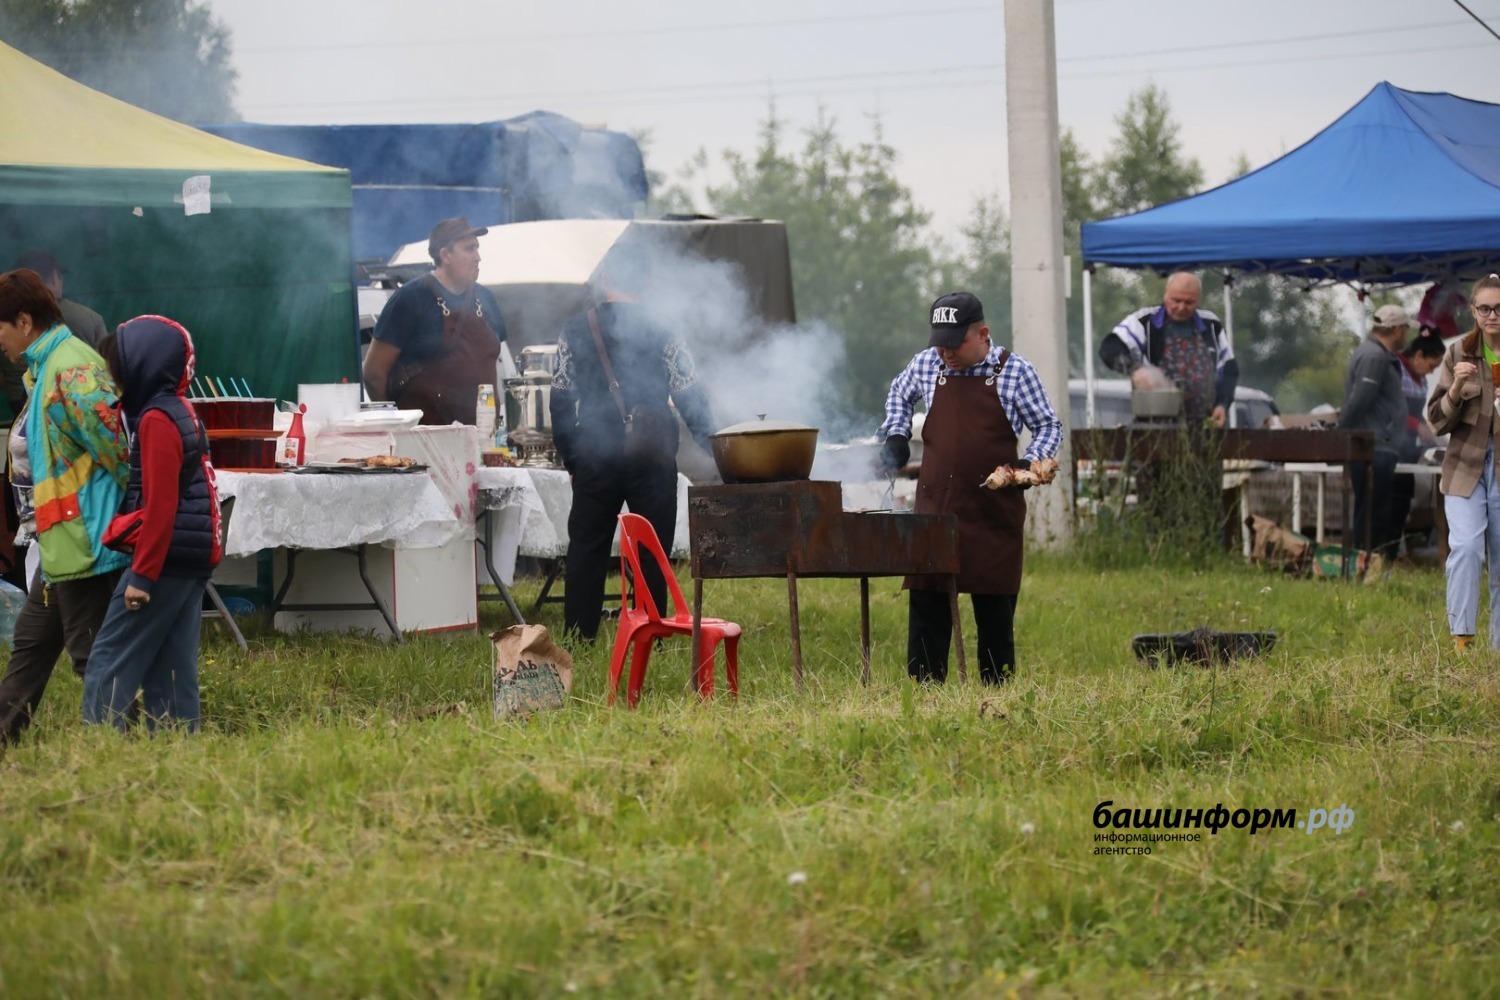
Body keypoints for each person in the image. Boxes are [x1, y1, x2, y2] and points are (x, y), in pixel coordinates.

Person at [877, 292, 1063, 685]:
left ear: (983, 334)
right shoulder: (928, 364)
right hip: (936, 507)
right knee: (928, 604)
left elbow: (1048, 425)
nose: (945, 352)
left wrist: (1033, 462)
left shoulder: (1015, 372)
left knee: (995, 610)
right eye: (940, 342)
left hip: (993, 512)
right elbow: (898, 393)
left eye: (955, 342)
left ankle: (998, 692)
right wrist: (895, 432)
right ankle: (924, 692)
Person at [548, 242, 716, 641]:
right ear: (648, 280)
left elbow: (560, 397)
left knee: (586, 549)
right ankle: (649, 634)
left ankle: (579, 636)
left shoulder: (575, 329)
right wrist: (715, 447)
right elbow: (689, 391)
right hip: (653, 453)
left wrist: (572, 459)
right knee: (650, 549)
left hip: (594, 453)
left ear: (604, 278)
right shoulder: (664, 328)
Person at [0, 269, 128, 743]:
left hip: (85, 541)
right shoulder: (46, 366)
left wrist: (110, 526)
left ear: (25, 321)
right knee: (31, 648)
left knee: (91, 655)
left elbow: (120, 453)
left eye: (0, 328)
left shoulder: (72, 368)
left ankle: (129, 744)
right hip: (58, 544)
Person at [82, 317, 222, 732]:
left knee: (109, 657)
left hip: (165, 557)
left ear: (138, 365)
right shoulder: (180, 409)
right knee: (171, 666)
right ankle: (177, 748)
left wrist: (141, 576)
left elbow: (161, 505)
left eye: (115, 366)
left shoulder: (156, 420)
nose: (111, 377)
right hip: (191, 554)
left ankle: (100, 748)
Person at [362, 217, 509, 425]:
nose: (478, 257)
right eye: (469, 249)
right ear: (445, 255)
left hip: (482, 439)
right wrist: (398, 428)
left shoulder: (486, 299)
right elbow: (373, 373)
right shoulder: (410, 299)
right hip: (426, 444)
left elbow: (490, 365)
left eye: (477, 248)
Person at [1427, 273, 1500, 652]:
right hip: (1464, 471)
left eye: (1499, 308)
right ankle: (1462, 642)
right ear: (1473, 311)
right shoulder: (1457, 353)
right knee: (1467, 549)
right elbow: (1437, 421)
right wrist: (1456, 388)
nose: (1492, 316)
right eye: (1485, 308)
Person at [1099, 271, 1238, 427]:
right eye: (1176, 300)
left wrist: (1222, 404)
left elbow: (1229, 369)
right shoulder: (1145, 321)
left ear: (1198, 299)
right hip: (1155, 425)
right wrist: (1134, 369)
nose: (1181, 307)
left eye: (1189, 302)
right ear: (1166, 295)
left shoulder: (1211, 324)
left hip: (1204, 425)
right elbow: (1109, 347)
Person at [1338, 303, 1410, 580]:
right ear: (1397, 329)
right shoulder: (1375, 357)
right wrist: (1342, 429)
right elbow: (1360, 399)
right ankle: (1366, 571)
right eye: (1405, 330)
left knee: (1374, 510)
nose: (1407, 337)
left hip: (1378, 445)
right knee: (1372, 513)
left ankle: (1368, 570)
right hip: (1373, 447)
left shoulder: (1376, 354)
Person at [1388, 332, 1445, 555]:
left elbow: (1415, 413)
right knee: (1391, 501)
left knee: (1403, 499)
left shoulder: (1419, 379)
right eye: (1431, 365)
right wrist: (1416, 425)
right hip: (1391, 442)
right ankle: (1384, 553)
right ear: (1418, 355)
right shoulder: (1395, 370)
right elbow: (1391, 410)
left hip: (1408, 445)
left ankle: (1394, 553)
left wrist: (1427, 426)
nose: (1431, 371)